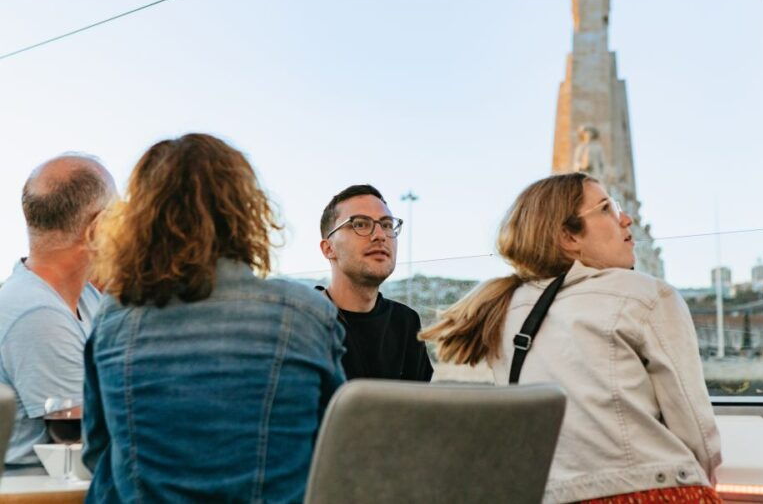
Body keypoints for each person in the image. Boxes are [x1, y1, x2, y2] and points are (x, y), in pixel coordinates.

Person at [420, 173, 722, 503]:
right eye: (606, 208)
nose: (625, 218)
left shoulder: (502, 309)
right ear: (568, 237)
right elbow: (694, 427)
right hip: (652, 489)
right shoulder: (645, 296)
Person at [82, 134, 345, 503]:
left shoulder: (113, 320)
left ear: (140, 219)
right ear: (245, 211)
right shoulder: (305, 313)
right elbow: (337, 451)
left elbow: (96, 452)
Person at [0, 154, 115, 470]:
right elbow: (82, 445)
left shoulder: (87, 297)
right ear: (100, 226)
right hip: (36, 491)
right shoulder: (37, 314)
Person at [319, 184, 432, 381]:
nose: (380, 235)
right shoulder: (304, 323)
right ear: (329, 248)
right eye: (360, 224)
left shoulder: (406, 322)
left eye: (387, 225)